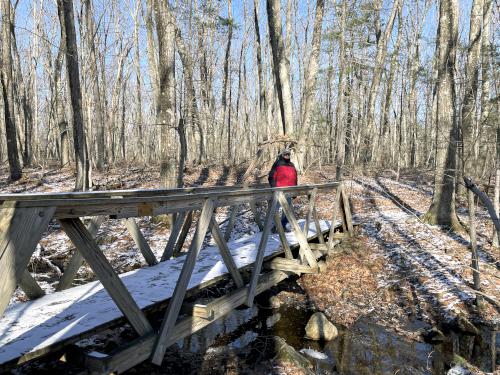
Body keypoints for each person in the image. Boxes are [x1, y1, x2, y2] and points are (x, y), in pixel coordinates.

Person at [268, 148, 297, 232]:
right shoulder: (277, 163)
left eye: (288, 154)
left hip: (289, 192)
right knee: (275, 209)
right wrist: (274, 188)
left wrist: (294, 191)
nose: (287, 156)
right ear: (282, 155)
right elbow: (271, 177)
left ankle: (283, 226)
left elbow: (295, 178)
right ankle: (274, 227)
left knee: (288, 210)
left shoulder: (292, 165)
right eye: (285, 154)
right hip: (279, 192)